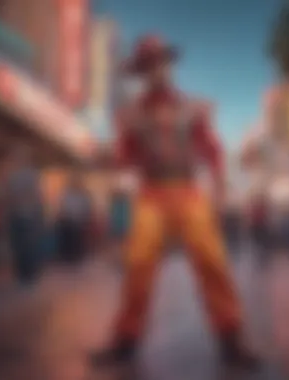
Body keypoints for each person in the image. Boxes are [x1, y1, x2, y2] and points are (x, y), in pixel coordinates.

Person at [92, 35, 259, 370]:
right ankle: (126, 340)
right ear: (141, 71)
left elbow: (211, 148)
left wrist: (219, 181)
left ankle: (231, 339)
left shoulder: (192, 108)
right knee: (138, 264)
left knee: (212, 260)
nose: (157, 68)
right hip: (152, 194)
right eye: (149, 63)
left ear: (169, 65)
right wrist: (112, 163)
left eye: (161, 61)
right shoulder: (131, 115)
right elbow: (125, 156)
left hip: (188, 191)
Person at [5, 148, 45, 285]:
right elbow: (10, 195)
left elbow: (34, 195)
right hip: (18, 214)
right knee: (20, 245)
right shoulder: (13, 175)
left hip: (27, 214)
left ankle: (29, 273)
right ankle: (23, 273)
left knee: (27, 245)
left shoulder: (30, 175)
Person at [56, 173, 92, 265]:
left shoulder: (83, 194)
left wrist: (81, 217)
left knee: (75, 229)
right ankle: (67, 254)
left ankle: (75, 255)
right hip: (68, 220)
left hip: (79, 220)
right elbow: (62, 208)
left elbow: (87, 209)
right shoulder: (67, 193)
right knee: (64, 227)